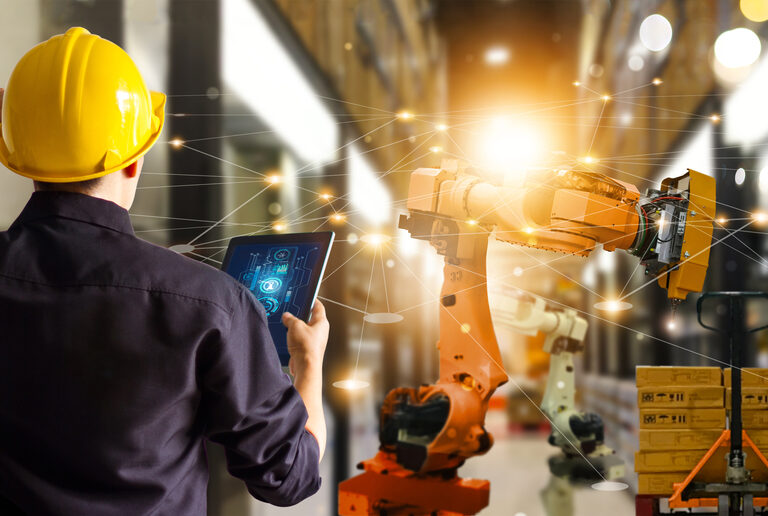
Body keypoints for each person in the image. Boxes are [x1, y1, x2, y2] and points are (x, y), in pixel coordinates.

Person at [0, 27, 328, 515]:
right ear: (134, 161)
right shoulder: (212, 301)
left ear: (22, 157)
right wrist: (308, 365)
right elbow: (287, 476)